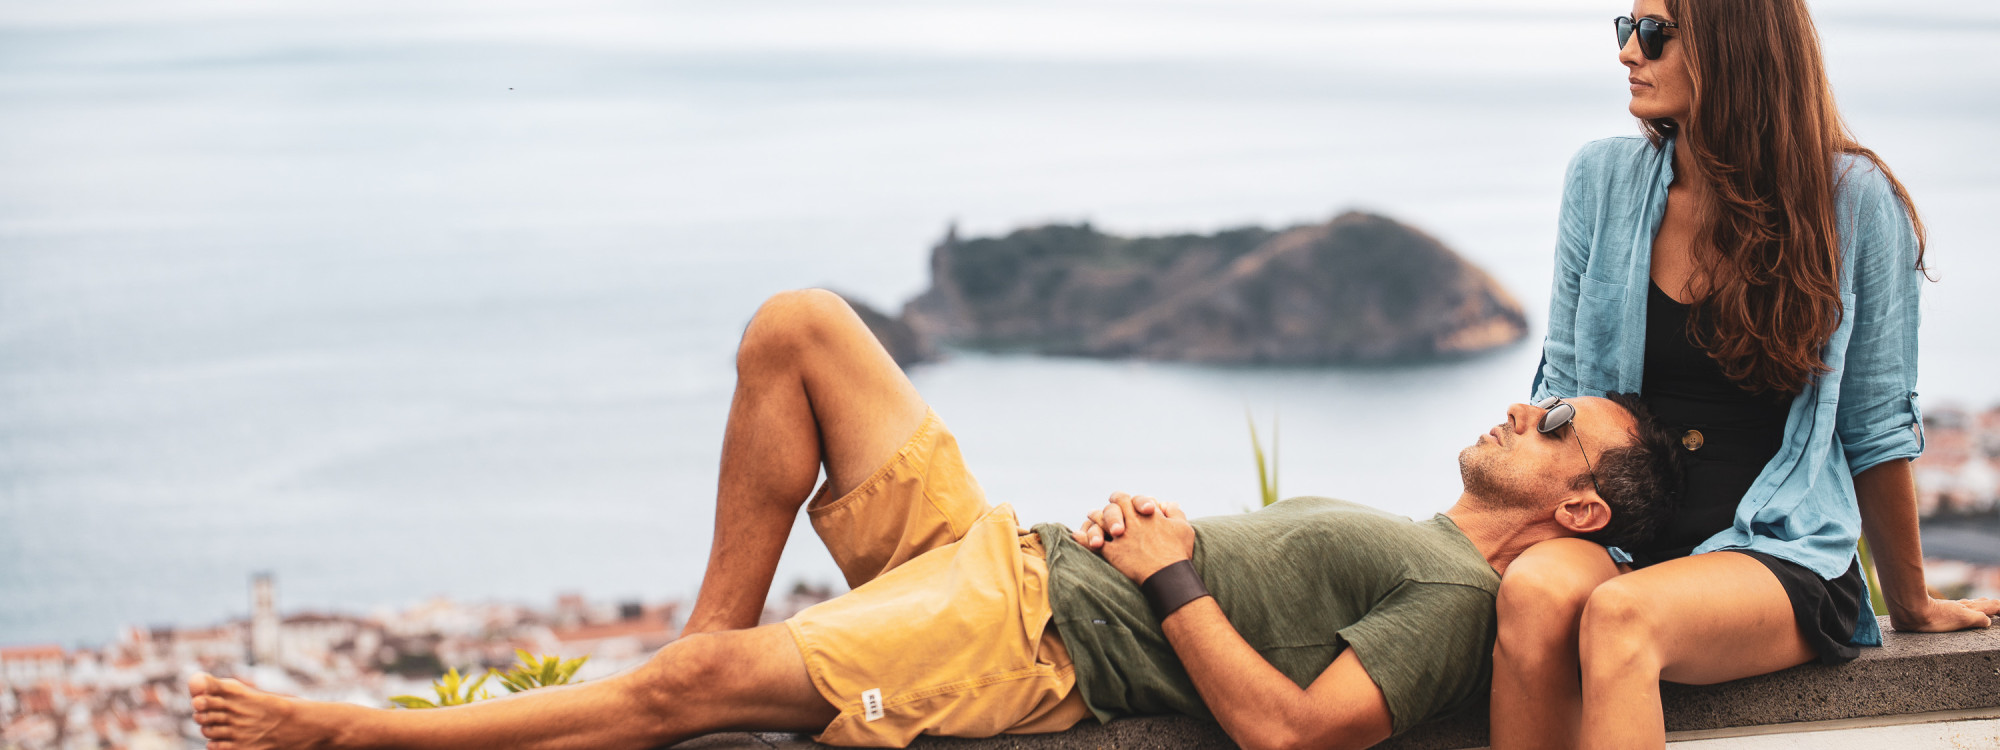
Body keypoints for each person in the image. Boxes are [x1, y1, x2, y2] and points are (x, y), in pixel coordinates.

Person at [188, 289, 1682, 750]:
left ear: (1576, 500)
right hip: (1002, 553)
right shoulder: (1421, 526)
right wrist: (1166, 546)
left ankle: (355, 734)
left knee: (700, 694)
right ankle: (697, 649)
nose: (1521, 404)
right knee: (801, 330)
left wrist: (1170, 576)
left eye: (1554, 422)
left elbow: (1291, 733)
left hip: (1031, 635)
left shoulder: (1456, 600)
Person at [1488, 2, 2000, 748]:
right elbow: (1560, 398)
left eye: (1656, 33)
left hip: (1776, 551)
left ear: (1735, 46)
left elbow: (1876, 425)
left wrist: (1911, 600)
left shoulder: (1853, 203)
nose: (1630, 52)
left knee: (1620, 617)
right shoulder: (1600, 180)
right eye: (1624, 29)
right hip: (1625, 536)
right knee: (1531, 594)